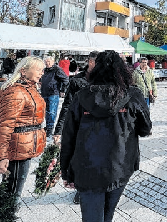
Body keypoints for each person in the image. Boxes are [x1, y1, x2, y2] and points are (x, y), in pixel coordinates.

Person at [60, 50, 152, 222]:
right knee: (107, 215)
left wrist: (65, 170)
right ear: (122, 70)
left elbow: (68, 136)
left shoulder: (81, 97)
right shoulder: (133, 94)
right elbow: (146, 129)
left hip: (87, 167)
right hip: (120, 165)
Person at [0, 56, 46, 197]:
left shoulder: (29, 88)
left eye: (43, 70)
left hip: (25, 147)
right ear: (23, 71)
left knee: (13, 191)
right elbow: (4, 125)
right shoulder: (16, 92)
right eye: (38, 69)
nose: (42, 73)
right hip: (17, 149)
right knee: (11, 194)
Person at [53, 51, 99, 204]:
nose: (97, 66)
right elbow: (67, 106)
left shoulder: (104, 80)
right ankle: (81, 189)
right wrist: (58, 130)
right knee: (80, 159)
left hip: (98, 128)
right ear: (89, 62)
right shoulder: (77, 81)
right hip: (79, 127)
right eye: (95, 62)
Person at [41, 56, 69, 138]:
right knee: (46, 111)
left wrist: (62, 90)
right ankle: (47, 126)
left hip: (53, 93)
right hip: (44, 93)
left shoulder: (57, 69)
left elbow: (65, 79)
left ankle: (50, 128)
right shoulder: (45, 70)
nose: (47, 63)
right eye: (46, 61)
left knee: (52, 112)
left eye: (49, 62)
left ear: (53, 62)